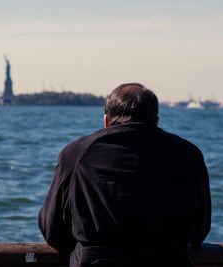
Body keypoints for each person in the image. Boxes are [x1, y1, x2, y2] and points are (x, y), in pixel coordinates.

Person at [38, 83, 211, 267]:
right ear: (156, 122)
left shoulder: (75, 154)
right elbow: (200, 229)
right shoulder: (189, 155)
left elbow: (52, 230)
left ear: (106, 121)